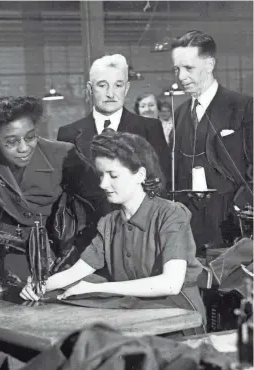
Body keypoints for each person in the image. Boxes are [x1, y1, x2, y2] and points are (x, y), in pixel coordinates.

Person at [20, 130, 206, 330]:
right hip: (137, 310)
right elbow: (76, 272)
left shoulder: (170, 214)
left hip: (180, 316)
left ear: (140, 175)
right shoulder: (109, 222)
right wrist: (39, 286)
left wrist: (97, 288)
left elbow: (170, 284)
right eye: (101, 175)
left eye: (113, 175)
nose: (103, 184)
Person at [57, 54, 171, 254]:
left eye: (118, 85)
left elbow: (161, 183)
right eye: (102, 85)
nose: (111, 93)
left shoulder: (149, 128)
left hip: (140, 238)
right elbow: (67, 190)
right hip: (87, 240)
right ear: (90, 89)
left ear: (126, 89)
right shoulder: (68, 133)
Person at [0, 96, 74, 280]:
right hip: (9, 245)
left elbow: (95, 210)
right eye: (11, 142)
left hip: (59, 246)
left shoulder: (64, 154)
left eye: (30, 137)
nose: (24, 148)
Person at [171, 30, 253, 253]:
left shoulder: (244, 106)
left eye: (188, 68)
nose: (181, 77)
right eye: (177, 69)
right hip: (188, 229)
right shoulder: (179, 114)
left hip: (233, 227)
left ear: (209, 64)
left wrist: (241, 206)